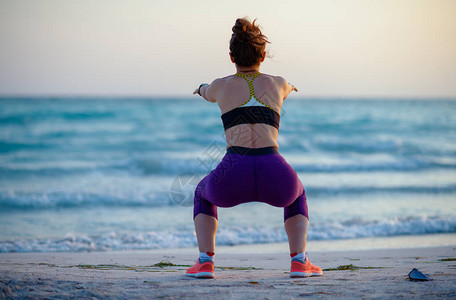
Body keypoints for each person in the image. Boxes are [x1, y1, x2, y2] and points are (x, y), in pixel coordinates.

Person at [186, 17, 323, 279]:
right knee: (298, 194)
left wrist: (201, 88)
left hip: (233, 172)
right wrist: (291, 87)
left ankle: (205, 262)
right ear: (262, 55)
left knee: (202, 192)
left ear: (231, 56)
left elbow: (206, 91)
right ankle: (299, 261)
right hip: (275, 173)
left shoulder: (220, 85)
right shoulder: (279, 83)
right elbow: (288, 88)